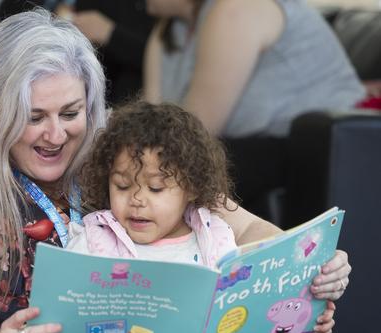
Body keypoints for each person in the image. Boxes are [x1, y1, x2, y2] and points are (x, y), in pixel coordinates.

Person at [0, 10, 350, 333]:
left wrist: (314, 264)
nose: (56, 135)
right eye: (33, 119)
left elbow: (243, 226)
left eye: (71, 114)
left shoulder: (126, 157)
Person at [68, 100, 335, 333]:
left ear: (192, 188)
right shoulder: (95, 239)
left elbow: (257, 305)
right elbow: (66, 310)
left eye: (156, 188)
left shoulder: (215, 237)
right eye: (123, 186)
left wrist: (308, 319)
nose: (137, 200)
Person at [142, 0, 366, 218]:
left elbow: (195, 130)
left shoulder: (237, 9)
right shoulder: (167, 32)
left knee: (185, 168)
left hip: (311, 148)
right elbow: (149, 120)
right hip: (242, 143)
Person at [0, 0, 155, 105]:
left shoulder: (137, 7)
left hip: (103, 104)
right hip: (20, 97)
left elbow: (157, 55)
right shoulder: (17, 4)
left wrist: (111, 34)